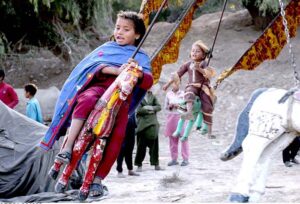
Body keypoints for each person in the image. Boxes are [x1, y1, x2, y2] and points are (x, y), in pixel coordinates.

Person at [40, 11, 153, 198]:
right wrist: (117, 70)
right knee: (86, 99)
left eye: (126, 29)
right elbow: (91, 67)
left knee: (117, 137)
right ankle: (67, 147)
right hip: (98, 89)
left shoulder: (141, 57)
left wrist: (138, 72)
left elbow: (148, 81)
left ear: (137, 35)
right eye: (118, 28)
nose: (120, 32)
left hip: (120, 101)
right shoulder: (106, 48)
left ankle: (98, 179)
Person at [163, 40, 216, 138]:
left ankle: (209, 132)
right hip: (192, 85)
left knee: (208, 107)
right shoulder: (187, 64)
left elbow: (208, 74)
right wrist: (167, 84)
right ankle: (189, 112)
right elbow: (177, 74)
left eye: (197, 51)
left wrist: (199, 68)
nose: (194, 53)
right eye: (193, 51)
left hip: (203, 87)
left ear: (204, 54)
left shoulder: (203, 64)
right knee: (189, 93)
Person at [134, 89, 162, 171]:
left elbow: (159, 107)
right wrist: (150, 110)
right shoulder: (138, 96)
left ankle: (156, 164)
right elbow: (138, 110)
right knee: (141, 147)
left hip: (153, 125)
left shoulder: (152, 96)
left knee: (154, 146)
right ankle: (139, 164)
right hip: (142, 126)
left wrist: (149, 107)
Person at [164, 81, 190, 166]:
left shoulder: (184, 94)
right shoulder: (168, 94)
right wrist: (170, 106)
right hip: (171, 118)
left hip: (181, 118)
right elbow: (165, 108)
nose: (176, 85)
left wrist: (178, 106)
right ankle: (174, 159)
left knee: (183, 138)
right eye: (174, 83)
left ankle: (185, 159)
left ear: (180, 84)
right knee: (172, 139)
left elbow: (187, 109)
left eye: (177, 83)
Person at [116, 113, 140, 177]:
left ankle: (130, 169)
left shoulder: (132, 104)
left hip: (131, 128)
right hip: (122, 128)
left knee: (130, 150)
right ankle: (119, 171)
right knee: (121, 150)